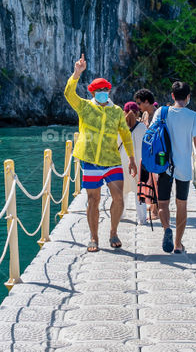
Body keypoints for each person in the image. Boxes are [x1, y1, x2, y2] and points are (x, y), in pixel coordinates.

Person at [64, 53, 137, 253]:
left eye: (105, 89)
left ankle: (113, 232)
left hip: (112, 160)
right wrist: (77, 73)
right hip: (90, 161)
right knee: (93, 200)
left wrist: (131, 158)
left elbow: (126, 134)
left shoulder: (116, 111)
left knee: (119, 198)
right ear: (93, 93)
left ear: (109, 91)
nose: (103, 92)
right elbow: (69, 94)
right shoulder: (85, 107)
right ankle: (94, 237)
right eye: (99, 90)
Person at [150, 79, 196, 254]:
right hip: (183, 167)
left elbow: (151, 134)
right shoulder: (194, 116)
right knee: (182, 205)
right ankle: (177, 244)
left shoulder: (161, 111)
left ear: (172, 96)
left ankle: (167, 227)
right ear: (188, 97)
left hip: (163, 164)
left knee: (162, 203)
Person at [133, 88, 159, 221]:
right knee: (150, 180)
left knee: (157, 180)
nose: (138, 106)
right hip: (149, 152)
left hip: (157, 152)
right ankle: (153, 206)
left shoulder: (157, 115)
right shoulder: (147, 115)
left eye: (139, 103)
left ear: (147, 101)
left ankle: (156, 210)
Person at [120, 101, 147, 223]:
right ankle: (142, 219)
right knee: (140, 192)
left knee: (121, 192)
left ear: (123, 112)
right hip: (139, 164)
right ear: (137, 113)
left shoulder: (119, 128)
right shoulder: (142, 127)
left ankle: (120, 216)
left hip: (123, 164)